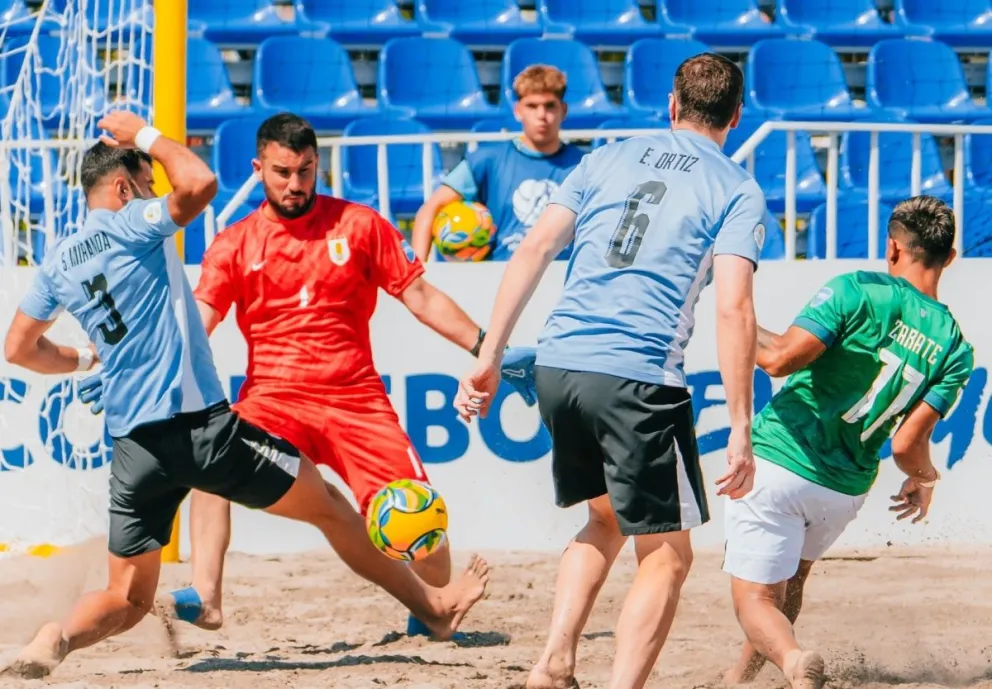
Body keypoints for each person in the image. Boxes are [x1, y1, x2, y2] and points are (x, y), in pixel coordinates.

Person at [1, 111, 489, 679]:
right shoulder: (144, 224)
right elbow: (199, 188)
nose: (297, 182)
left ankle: (56, 637)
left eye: (307, 170)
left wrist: (88, 359)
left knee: (129, 598)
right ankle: (427, 607)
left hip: (142, 445)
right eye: (283, 171)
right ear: (123, 188)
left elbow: (16, 348)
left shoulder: (57, 262)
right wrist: (144, 134)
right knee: (324, 505)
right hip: (217, 422)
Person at [454, 53, 766, 689]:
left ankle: (554, 664)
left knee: (604, 519)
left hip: (561, 365)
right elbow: (734, 307)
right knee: (670, 553)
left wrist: (488, 355)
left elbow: (535, 249)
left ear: (672, 106)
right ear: (736, 115)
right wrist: (740, 425)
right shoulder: (736, 187)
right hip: (638, 377)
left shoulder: (605, 156)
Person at [721, 195, 974, 689]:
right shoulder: (954, 346)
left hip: (782, 458)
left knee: (753, 599)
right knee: (788, 583)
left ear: (893, 250)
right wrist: (925, 479)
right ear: (950, 257)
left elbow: (779, 360)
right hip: (843, 489)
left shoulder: (858, 290)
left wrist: (732, 321)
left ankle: (794, 661)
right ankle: (738, 680)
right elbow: (906, 446)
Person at [411, 64, 586, 263]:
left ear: (563, 110)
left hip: (564, 277)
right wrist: (418, 275)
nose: (541, 116)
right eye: (532, 106)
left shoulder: (584, 166)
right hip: (501, 277)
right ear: (518, 110)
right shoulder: (487, 159)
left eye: (549, 106)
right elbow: (430, 209)